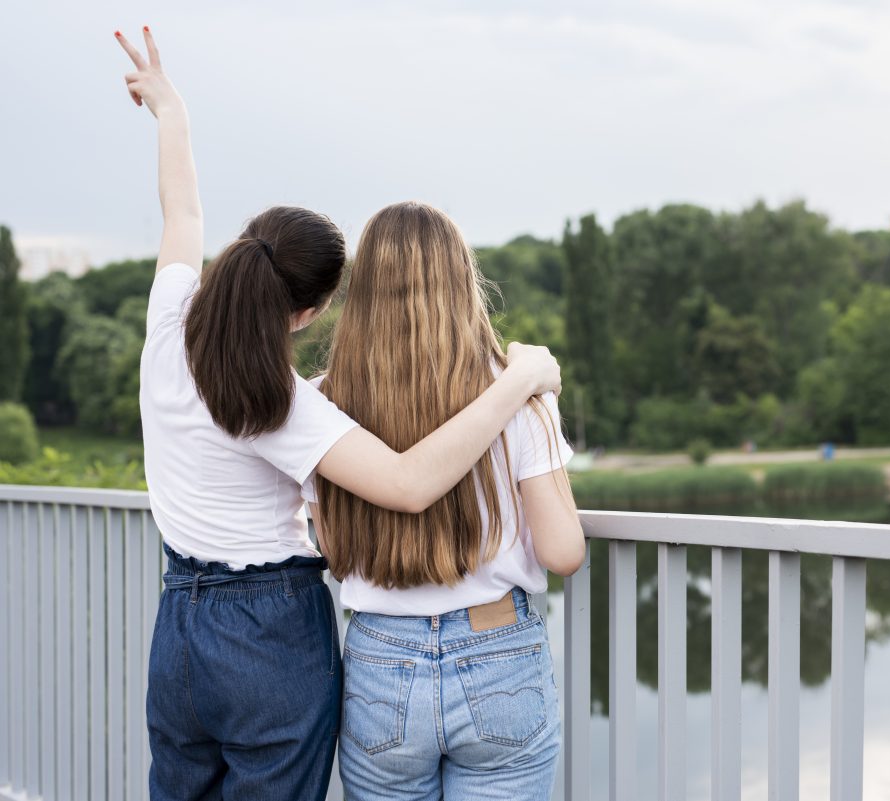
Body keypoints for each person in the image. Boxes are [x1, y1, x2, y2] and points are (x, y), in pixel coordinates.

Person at [116, 28, 562, 801]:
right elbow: (410, 481)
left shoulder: (167, 327)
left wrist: (171, 111)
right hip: (269, 634)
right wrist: (517, 377)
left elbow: (179, 211)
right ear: (310, 310)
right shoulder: (279, 403)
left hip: (178, 625)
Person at [309, 202, 585, 800]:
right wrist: (544, 408)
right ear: (464, 282)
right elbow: (563, 552)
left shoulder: (322, 403)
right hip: (500, 655)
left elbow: (335, 553)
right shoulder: (518, 392)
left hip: (380, 661)